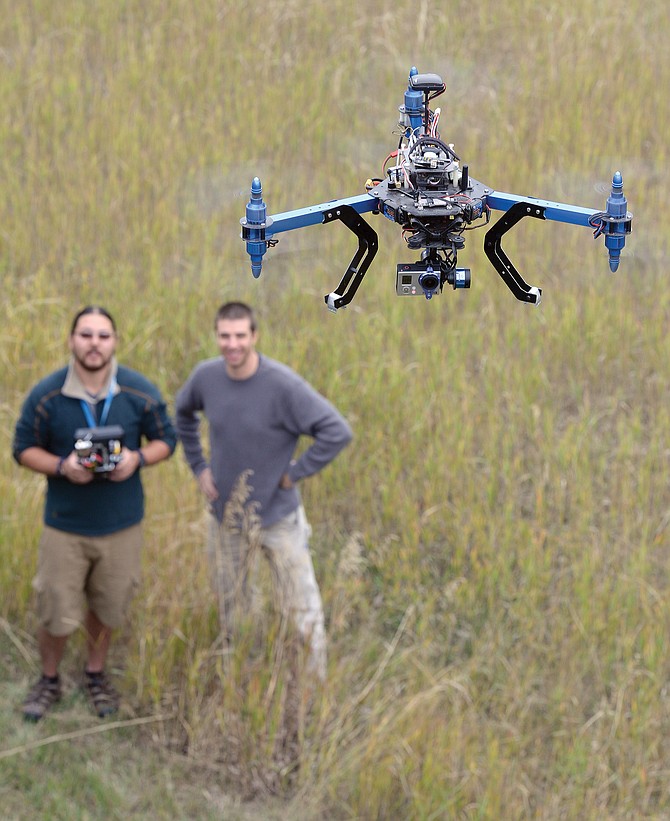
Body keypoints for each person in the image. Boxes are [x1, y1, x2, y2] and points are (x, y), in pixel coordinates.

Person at [12, 306, 177, 721]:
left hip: (121, 525)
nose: (94, 344)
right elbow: (22, 448)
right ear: (71, 341)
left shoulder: (138, 391)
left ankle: (95, 675)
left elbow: (167, 440)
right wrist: (61, 467)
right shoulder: (48, 394)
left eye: (103, 336)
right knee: (56, 608)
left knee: (108, 606)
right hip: (65, 525)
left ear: (115, 341)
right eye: (85, 335)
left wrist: (137, 459)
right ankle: (48, 679)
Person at [175, 301, 352, 681]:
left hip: (279, 519)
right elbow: (183, 414)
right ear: (216, 337)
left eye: (240, 335)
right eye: (225, 336)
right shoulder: (206, 378)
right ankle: (243, 682)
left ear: (255, 336)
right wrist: (199, 467)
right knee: (234, 610)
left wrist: (294, 473)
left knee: (302, 610)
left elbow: (336, 430)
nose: (232, 344)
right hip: (227, 519)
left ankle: (313, 690)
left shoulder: (282, 385)